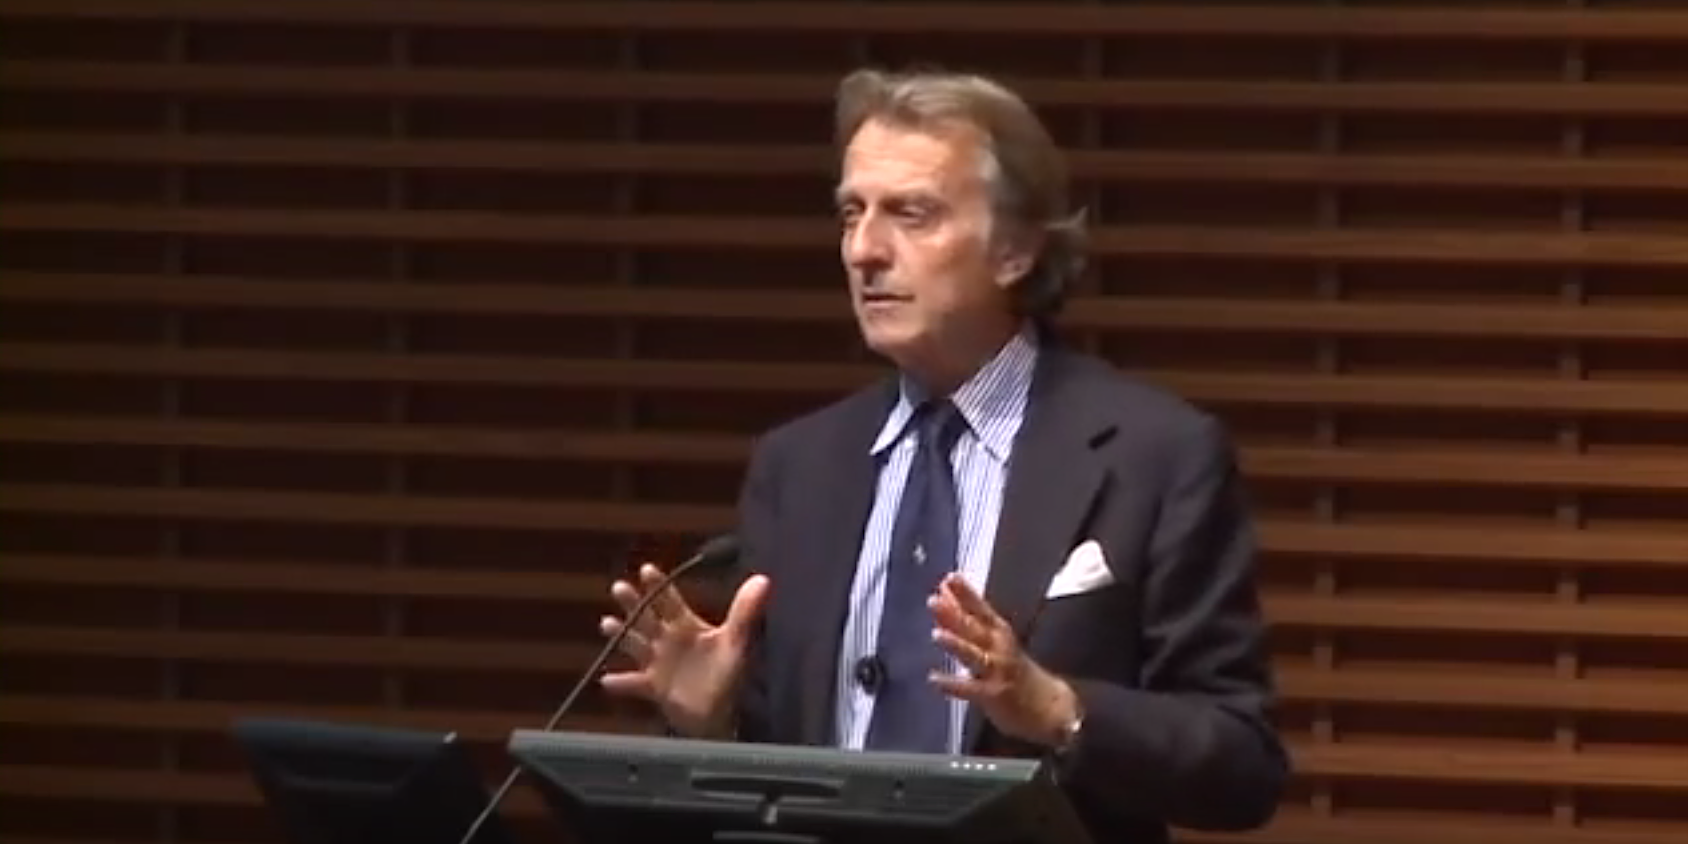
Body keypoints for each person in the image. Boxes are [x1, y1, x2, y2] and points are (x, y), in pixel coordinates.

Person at [598, 66, 1288, 843]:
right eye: (851, 213)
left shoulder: (1154, 456)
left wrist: (1058, 709)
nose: (864, 250)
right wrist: (711, 722)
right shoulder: (799, 467)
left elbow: (1243, 765)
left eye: (911, 214)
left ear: (1015, 250)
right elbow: (775, 766)